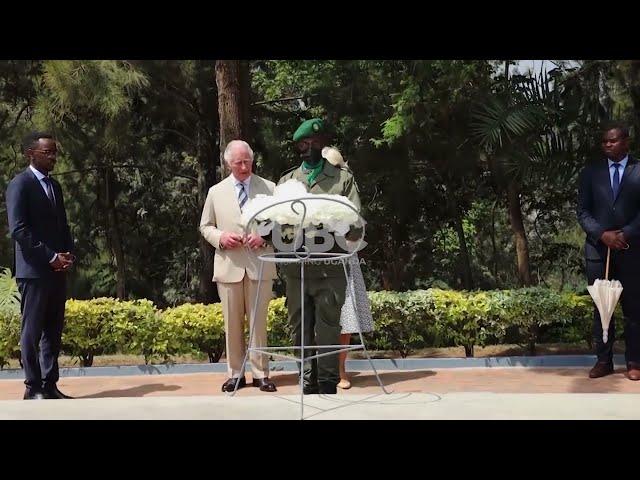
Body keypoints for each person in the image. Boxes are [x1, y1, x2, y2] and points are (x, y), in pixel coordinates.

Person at [278, 119, 361, 394]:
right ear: (298, 147)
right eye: (304, 144)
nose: (309, 148)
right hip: (296, 268)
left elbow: (356, 223)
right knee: (299, 326)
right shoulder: (288, 181)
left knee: (328, 327)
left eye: (315, 143)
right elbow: (278, 225)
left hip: (330, 266)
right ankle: (305, 380)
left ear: (322, 144)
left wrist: (343, 225)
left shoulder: (342, 179)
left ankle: (327, 381)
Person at [200, 140, 278, 392]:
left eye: (247, 161)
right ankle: (235, 374)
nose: (244, 167)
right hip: (229, 265)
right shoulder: (216, 192)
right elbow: (205, 226)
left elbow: (283, 223)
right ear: (228, 164)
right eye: (238, 162)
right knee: (232, 324)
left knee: (259, 323)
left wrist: (265, 237)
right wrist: (220, 238)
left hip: (261, 264)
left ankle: (261, 373)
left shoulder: (270, 188)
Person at [6, 131, 75, 400]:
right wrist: (49, 256)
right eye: (48, 152)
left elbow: (63, 226)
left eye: (55, 152)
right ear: (30, 154)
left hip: (57, 271)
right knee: (32, 331)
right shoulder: (20, 184)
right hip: (34, 271)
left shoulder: (54, 187)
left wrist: (67, 253)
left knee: (53, 331)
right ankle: (32, 386)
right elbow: (19, 230)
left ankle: (49, 384)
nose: (53, 157)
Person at [577, 121, 640, 381]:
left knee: (634, 308)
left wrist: (626, 233)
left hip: (632, 249)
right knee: (602, 307)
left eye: (612, 141)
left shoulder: (639, 171)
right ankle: (603, 361)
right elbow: (582, 212)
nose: (607, 145)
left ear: (626, 141)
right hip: (598, 251)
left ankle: (634, 361)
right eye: (604, 141)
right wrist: (602, 234)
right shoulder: (590, 173)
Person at [322, 147, 374, 390]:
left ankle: (341, 368)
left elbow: (356, 227)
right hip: (314, 262)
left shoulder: (348, 192)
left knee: (345, 318)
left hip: (343, 260)